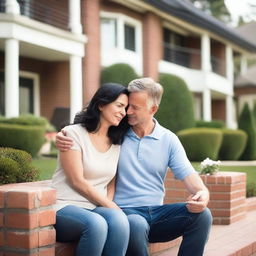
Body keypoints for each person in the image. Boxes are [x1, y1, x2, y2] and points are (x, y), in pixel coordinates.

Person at [56, 77, 212, 256]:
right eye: (126, 105)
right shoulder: (117, 133)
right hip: (126, 212)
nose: (127, 111)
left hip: (157, 214)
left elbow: (190, 178)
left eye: (134, 107)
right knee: (135, 224)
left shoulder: (168, 139)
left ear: (153, 109)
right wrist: (62, 135)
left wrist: (203, 193)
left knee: (203, 215)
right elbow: (90, 131)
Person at [52, 83, 130, 256]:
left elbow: (111, 182)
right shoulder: (72, 134)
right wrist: (109, 205)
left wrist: (108, 206)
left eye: (126, 108)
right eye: (119, 105)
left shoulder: (116, 141)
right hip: (64, 205)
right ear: (101, 104)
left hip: (94, 207)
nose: (123, 112)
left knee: (120, 221)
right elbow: (77, 181)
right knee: (96, 224)